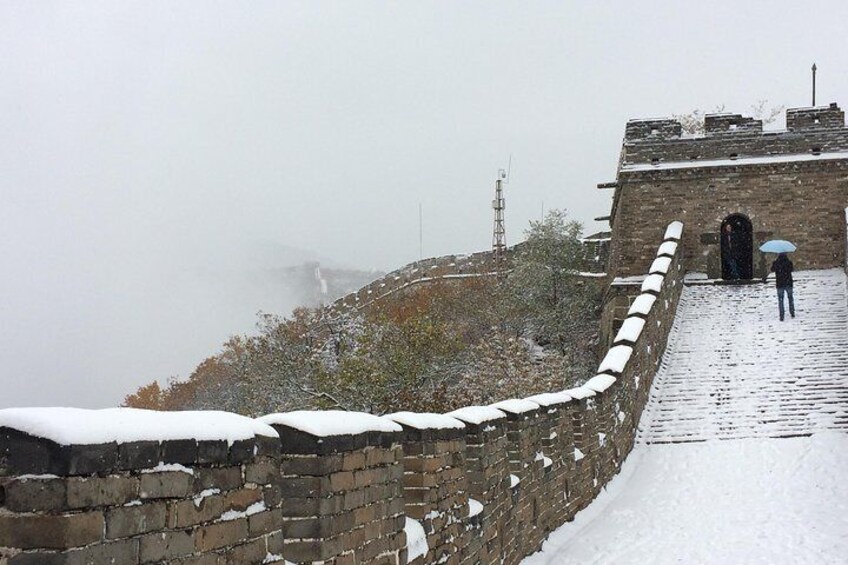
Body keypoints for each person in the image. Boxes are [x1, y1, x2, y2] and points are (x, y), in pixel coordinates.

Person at [763, 252, 795, 321]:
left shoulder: (776, 263)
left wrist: (774, 263)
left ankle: (781, 315)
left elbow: (772, 270)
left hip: (780, 283)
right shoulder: (789, 262)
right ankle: (792, 312)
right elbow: (792, 269)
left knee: (781, 300)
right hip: (788, 282)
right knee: (790, 298)